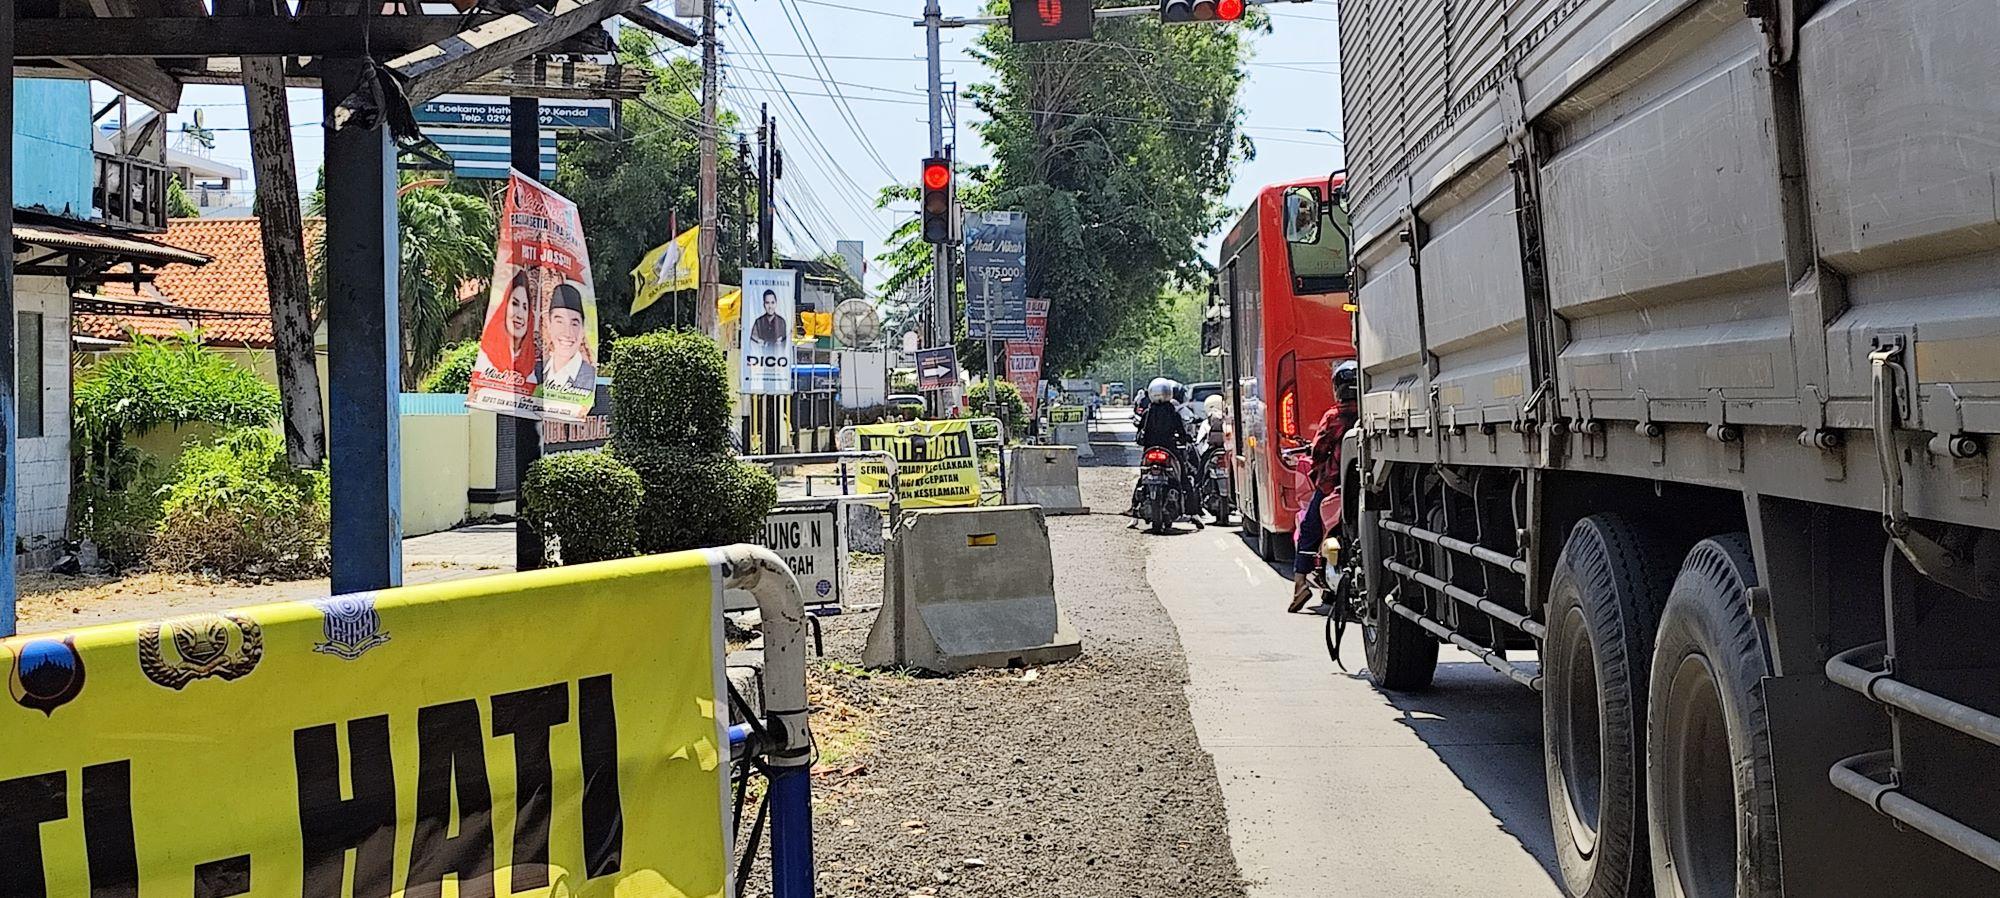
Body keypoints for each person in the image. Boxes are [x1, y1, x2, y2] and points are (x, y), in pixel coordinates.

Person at [1291, 361, 1360, 613]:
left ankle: (1300, 584)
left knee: (1309, 527)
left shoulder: (1334, 417)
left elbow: (1319, 449)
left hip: (1334, 484)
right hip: (1367, 481)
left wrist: (1318, 464)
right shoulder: (1369, 412)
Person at [475, 270, 539, 386]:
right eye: (515, 304)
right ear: (504, 308)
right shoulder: (487, 356)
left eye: (525, 307)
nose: (520, 315)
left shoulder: (530, 363)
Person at [534, 282, 597, 396]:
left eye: (574, 324)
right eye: (560, 322)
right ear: (549, 324)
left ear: (583, 330)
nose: (567, 333)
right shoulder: (536, 371)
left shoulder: (590, 377)